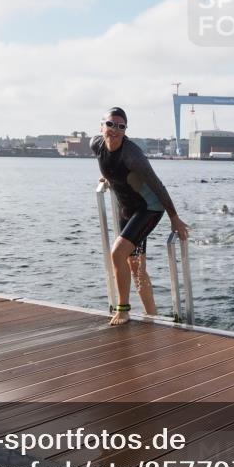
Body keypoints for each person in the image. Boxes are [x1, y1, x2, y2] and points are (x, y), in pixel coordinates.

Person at [92, 107, 189, 325]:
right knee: (136, 267)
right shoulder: (96, 144)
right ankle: (151, 315)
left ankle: (123, 309)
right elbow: (111, 166)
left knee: (117, 254)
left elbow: (158, 186)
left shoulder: (132, 155)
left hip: (149, 209)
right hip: (127, 209)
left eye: (120, 126)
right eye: (110, 124)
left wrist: (174, 218)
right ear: (101, 126)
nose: (114, 130)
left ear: (125, 130)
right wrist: (109, 178)